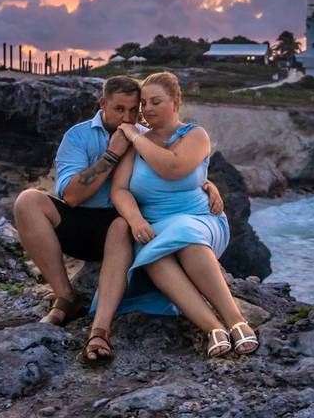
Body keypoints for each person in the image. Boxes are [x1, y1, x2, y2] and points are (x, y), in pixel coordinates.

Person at [12, 75, 224, 366]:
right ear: (103, 105)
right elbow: (71, 196)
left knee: (121, 223)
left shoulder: (143, 136)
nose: (127, 117)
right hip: (82, 220)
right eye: (119, 109)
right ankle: (65, 298)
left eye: (133, 110)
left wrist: (208, 184)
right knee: (28, 201)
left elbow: (175, 169)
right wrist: (112, 153)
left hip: (126, 224)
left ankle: (100, 330)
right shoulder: (79, 136)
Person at [100, 71, 258, 358]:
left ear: (175, 102)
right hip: (155, 224)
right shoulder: (134, 144)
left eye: (155, 102)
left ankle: (237, 321)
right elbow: (119, 190)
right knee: (152, 255)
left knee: (185, 233)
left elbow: (172, 168)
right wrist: (135, 220)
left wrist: (135, 135)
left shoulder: (194, 135)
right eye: (144, 103)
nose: (147, 109)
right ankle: (213, 328)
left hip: (200, 218)